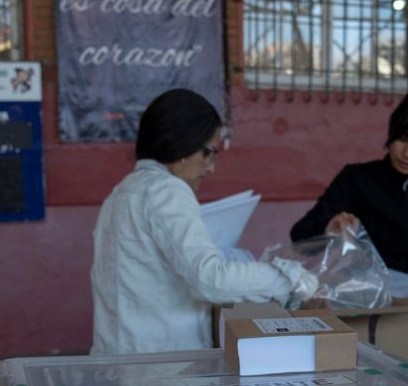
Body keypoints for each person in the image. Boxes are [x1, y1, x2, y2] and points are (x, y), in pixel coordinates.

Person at [91, 89, 310, 355]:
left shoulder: (121, 193)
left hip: (116, 360)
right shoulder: (167, 191)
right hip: (161, 371)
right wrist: (289, 278)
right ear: (182, 144)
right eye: (208, 152)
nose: (211, 167)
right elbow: (210, 279)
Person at [290, 85, 408, 377]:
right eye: (402, 139)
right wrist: (329, 227)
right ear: (391, 133)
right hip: (363, 315)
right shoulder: (357, 179)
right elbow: (300, 234)